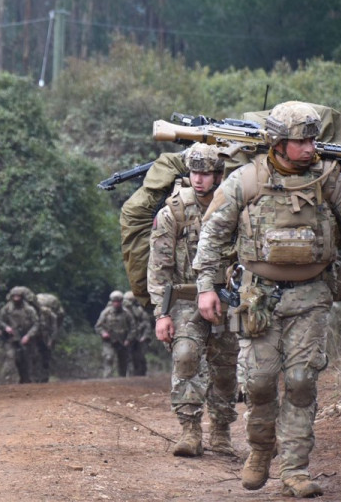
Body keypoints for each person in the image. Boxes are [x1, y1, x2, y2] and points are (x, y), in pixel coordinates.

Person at [194, 101, 341, 497]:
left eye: (313, 140)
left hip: (312, 296)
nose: (309, 148)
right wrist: (205, 287)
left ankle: (295, 470)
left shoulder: (329, 178)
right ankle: (259, 452)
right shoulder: (245, 181)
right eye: (300, 141)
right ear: (279, 143)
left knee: (302, 381)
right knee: (260, 383)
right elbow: (213, 235)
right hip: (258, 298)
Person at [147, 143, 237, 458]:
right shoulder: (173, 211)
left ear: (218, 174)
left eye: (206, 173)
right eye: (195, 172)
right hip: (185, 298)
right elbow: (158, 268)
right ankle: (189, 429)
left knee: (225, 367)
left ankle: (222, 430)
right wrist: (161, 314)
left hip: (228, 298)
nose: (199, 179)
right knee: (186, 355)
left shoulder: (234, 206)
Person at [0, 286, 40, 384]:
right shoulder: (7, 308)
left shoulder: (29, 309)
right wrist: (6, 327)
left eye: (18, 296)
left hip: (25, 337)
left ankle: (26, 379)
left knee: (25, 359)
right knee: (10, 356)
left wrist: (28, 336)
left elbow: (36, 324)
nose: (16, 299)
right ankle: (4, 381)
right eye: (14, 296)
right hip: (11, 337)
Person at [94, 290, 135, 378]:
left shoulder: (127, 313)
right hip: (109, 341)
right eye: (114, 301)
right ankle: (107, 378)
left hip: (123, 341)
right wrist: (103, 333)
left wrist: (128, 339)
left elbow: (133, 328)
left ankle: (121, 380)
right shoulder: (106, 313)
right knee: (108, 357)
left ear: (121, 302)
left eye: (118, 301)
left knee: (123, 361)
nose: (116, 304)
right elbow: (98, 326)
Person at [33, 293, 62, 383]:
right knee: (35, 356)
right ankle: (35, 377)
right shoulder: (33, 312)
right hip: (36, 336)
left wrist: (51, 340)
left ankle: (44, 377)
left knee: (46, 357)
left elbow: (54, 329)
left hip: (47, 337)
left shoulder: (51, 315)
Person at [123, 290, 152, 377]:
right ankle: (129, 375)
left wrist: (144, 336)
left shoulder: (139, 311)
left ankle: (140, 374)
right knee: (128, 357)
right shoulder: (123, 311)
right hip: (128, 337)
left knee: (139, 357)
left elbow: (147, 325)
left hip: (139, 338)